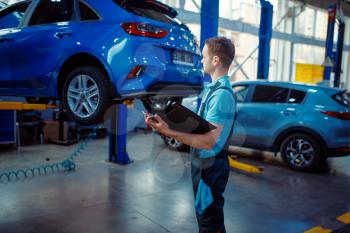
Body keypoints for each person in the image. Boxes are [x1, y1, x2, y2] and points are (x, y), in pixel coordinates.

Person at [145, 37, 236, 233]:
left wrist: (168, 132)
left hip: (210, 169)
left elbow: (208, 141)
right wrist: (170, 121)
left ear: (216, 61)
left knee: (209, 224)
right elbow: (203, 128)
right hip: (205, 167)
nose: (201, 61)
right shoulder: (214, 91)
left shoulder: (221, 96)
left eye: (204, 57)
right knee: (207, 219)